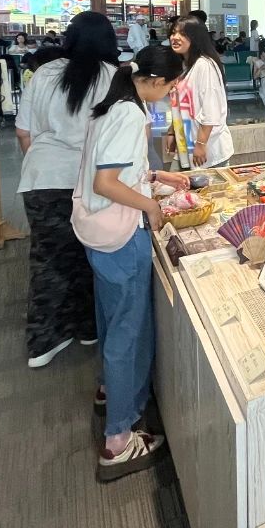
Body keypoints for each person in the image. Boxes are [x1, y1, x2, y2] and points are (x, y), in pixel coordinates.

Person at [74, 46, 186, 482]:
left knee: (111, 318)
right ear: (155, 82)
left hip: (97, 232)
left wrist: (155, 177)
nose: (170, 95)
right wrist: (151, 206)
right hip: (121, 234)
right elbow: (107, 182)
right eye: (171, 87)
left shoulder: (112, 105)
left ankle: (110, 389)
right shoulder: (129, 115)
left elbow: (115, 169)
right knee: (129, 331)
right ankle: (118, 440)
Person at [15, 12, 119, 368]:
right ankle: (89, 327)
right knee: (93, 256)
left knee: (49, 259)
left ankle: (44, 340)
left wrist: (43, 165)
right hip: (94, 181)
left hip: (44, 179)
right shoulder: (113, 77)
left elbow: (24, 132)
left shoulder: (45, 73)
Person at [167, 18, 234, 166]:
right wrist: (173, 131)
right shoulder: (183, 65)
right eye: (173, 33)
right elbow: (180, 105)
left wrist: (201, 144)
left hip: (207, 149)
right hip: (185, 146)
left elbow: (211, 110)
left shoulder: (204, 65)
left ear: (196, 38)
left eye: (182, 34)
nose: (175, 37)